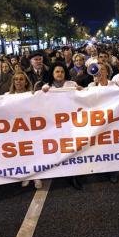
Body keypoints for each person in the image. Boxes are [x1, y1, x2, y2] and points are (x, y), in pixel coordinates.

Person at [41, 62, 83, 190]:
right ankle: (61, 171)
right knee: (59, 148)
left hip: (71, 123)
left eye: (62, 71)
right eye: (57, 71)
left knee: (72, 149)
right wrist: (42, 93)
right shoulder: (47, 88)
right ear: (52, 74)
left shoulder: (72, 85)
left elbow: (82, 98)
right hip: (54, 125)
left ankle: (74, 175)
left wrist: (82, 91)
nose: (59, 74)